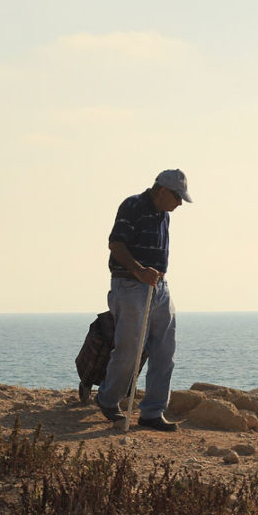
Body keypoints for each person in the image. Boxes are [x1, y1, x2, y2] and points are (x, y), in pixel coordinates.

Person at [95, 169, 191, 432]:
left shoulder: (164, 215)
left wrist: (153, 276)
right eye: (177, 197)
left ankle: (152, 411)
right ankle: (108, 399)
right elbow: (116, 244)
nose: (180, 204)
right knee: (130, 348)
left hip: (159, 286)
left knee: (165, 349)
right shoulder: (132, 205)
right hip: (130, 284)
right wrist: (139, 270)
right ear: (162, 191)